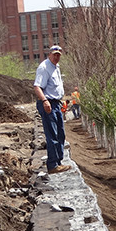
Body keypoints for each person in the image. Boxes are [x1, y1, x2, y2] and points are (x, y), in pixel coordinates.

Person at [34, 45, 70, 174]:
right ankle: (52, 165)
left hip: (56, 103)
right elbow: (37, 87)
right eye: (54, 54)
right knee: (52, 134)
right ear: (49, 54)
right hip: (48, 103)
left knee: (60, 133)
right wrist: (45, 101)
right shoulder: (44, 68)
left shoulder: (56, 67)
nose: (56, 57)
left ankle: (58, 162)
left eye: (59, 55)